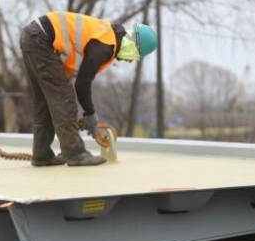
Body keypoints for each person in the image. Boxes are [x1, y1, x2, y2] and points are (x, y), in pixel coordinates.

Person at [20, 11, 158, 167]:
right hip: (41, 39)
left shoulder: (106, 37)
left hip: (33, 37)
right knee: (64, 96)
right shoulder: (105, 46)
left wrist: (87, 114)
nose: (131, 61)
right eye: (135, 56)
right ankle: (76, 154)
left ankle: (41, 154)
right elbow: (82, 84)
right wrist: (90, 114)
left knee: (45, 100)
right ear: (133, 46)